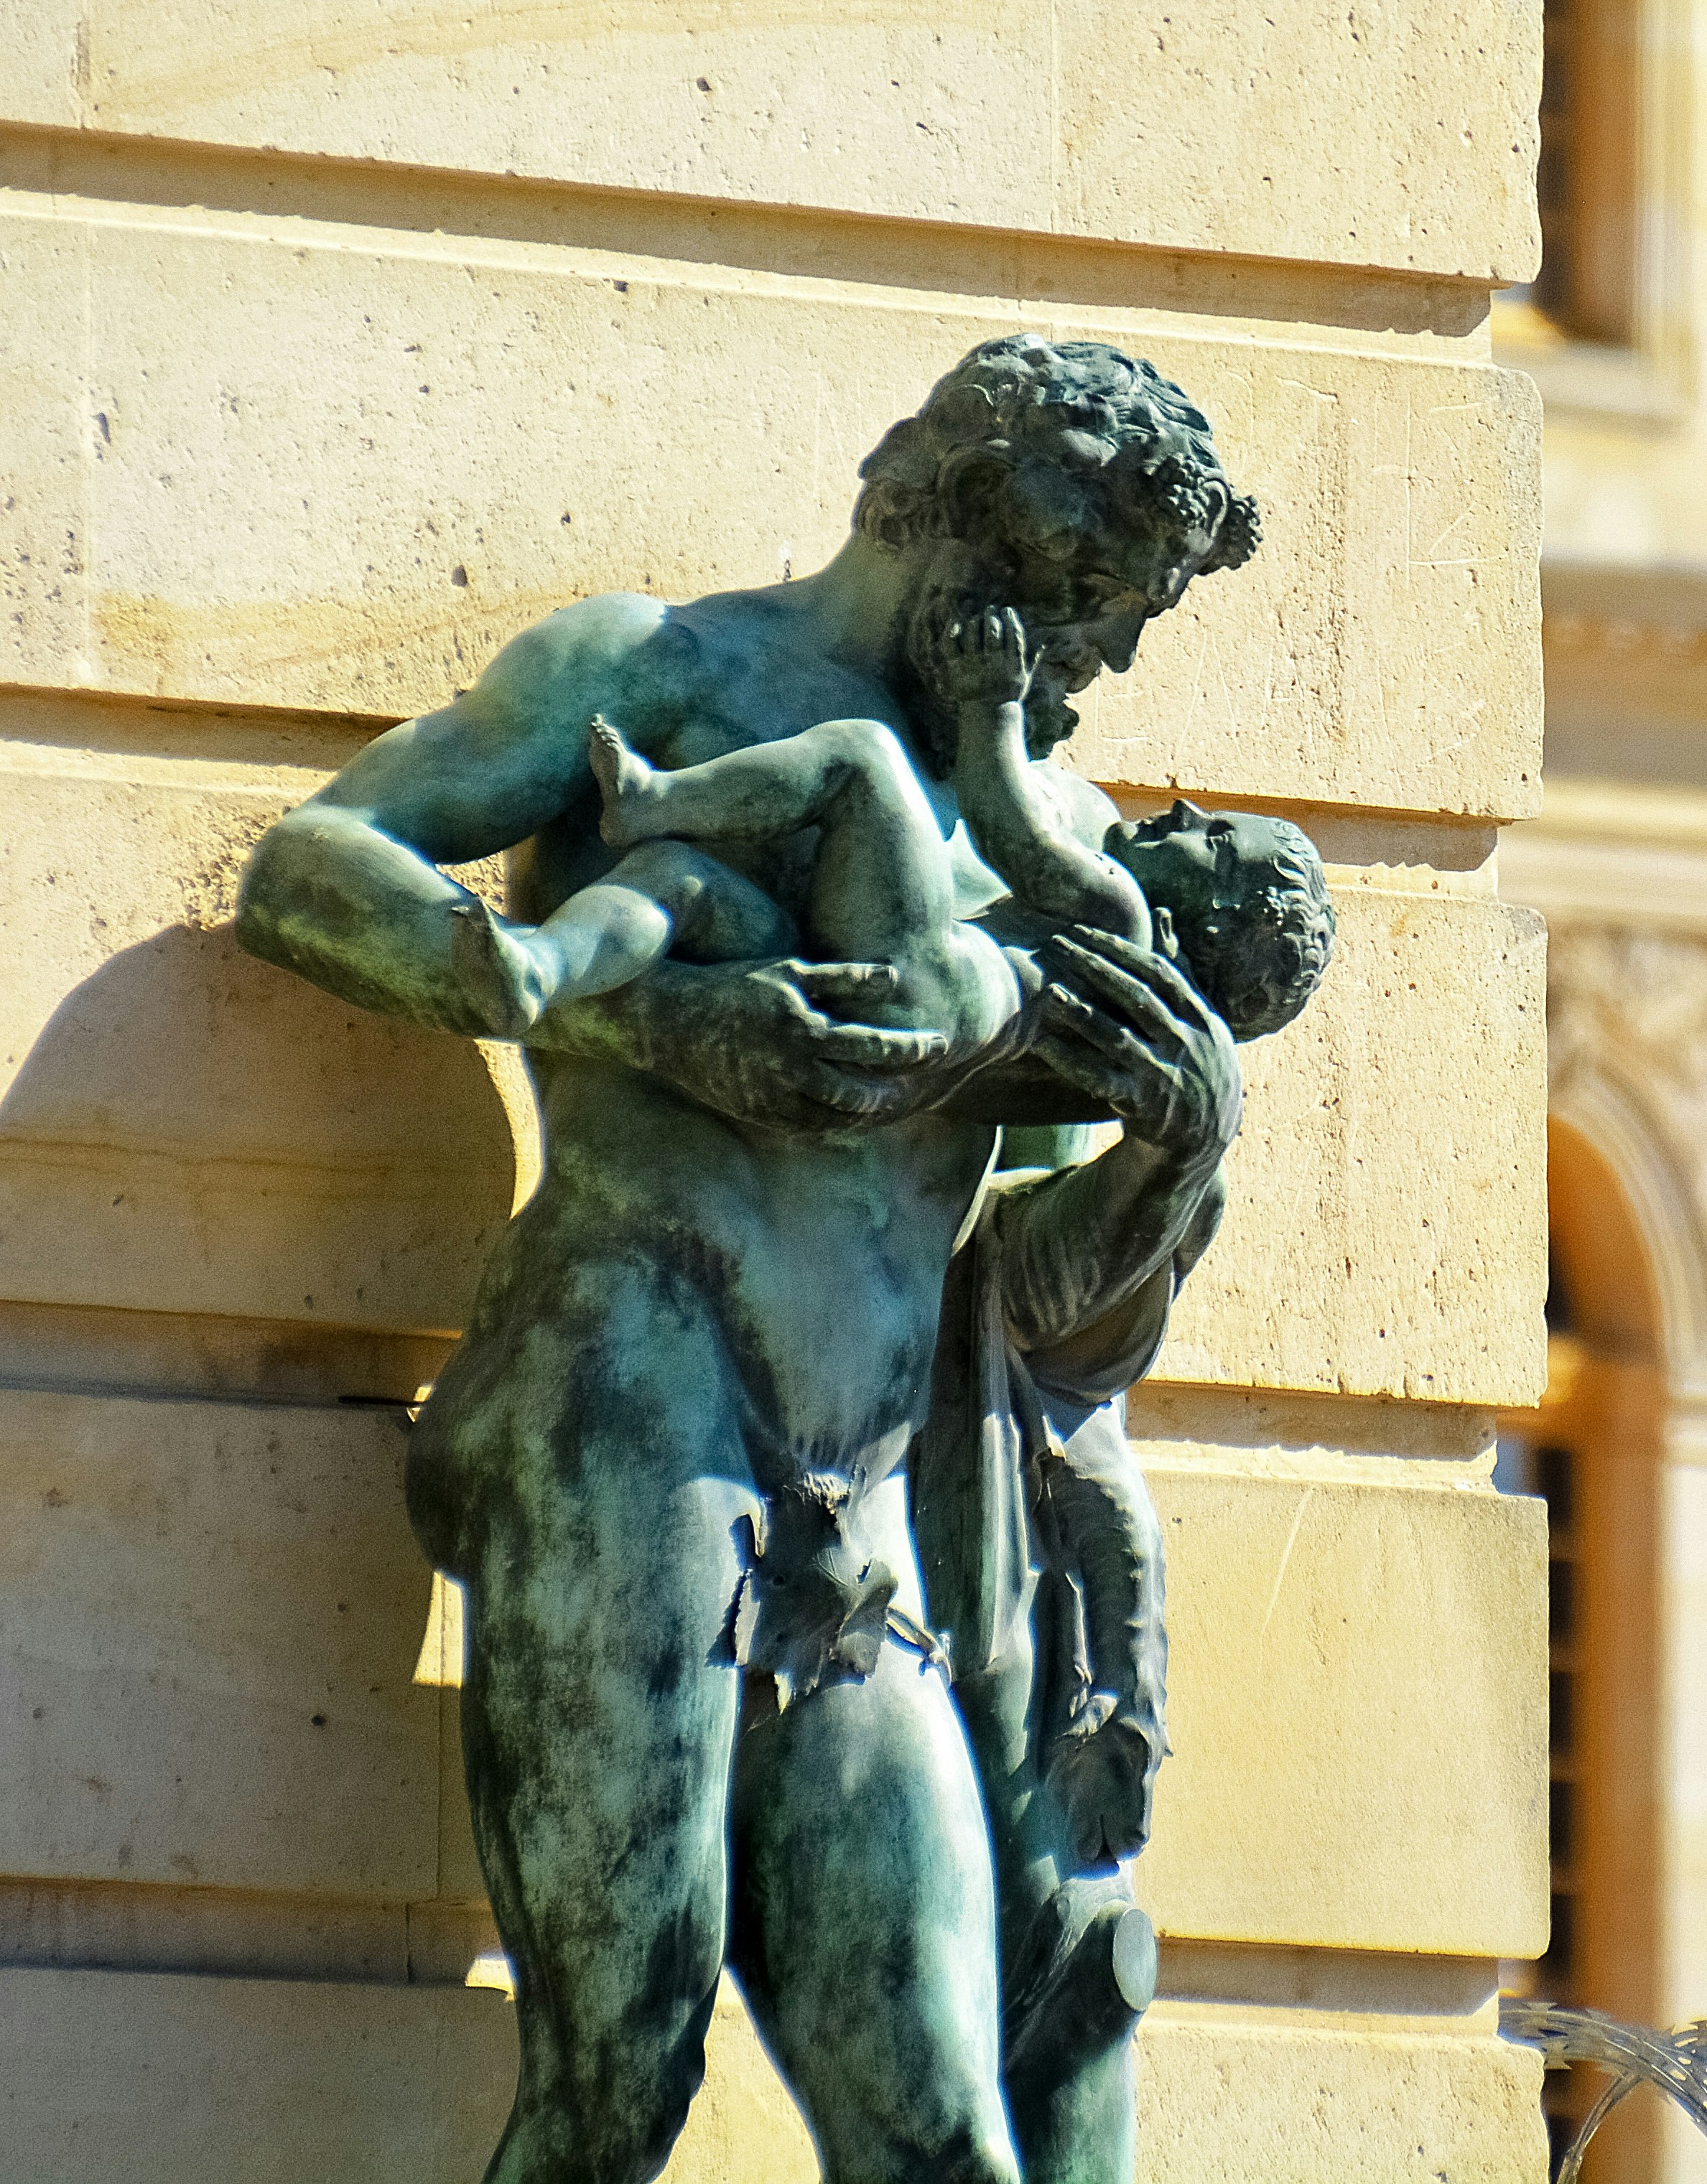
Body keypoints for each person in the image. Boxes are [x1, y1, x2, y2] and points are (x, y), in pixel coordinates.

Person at [232, 335, 1284, 2184]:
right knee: (619, 2068)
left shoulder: (1049, 838)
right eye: (1094, 601)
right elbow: (314, 868)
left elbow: (1027, 1303)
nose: (1108, 661)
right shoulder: (661, 676)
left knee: (942, 2139)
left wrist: (1173, 1153)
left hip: (857, 1513)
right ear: (972, 537)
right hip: (634, 1394)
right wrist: (638, 1027)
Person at [448, 614, 1329, 1066]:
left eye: (1214, 844)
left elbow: (1011, 834)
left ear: (1212, 927)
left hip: (926, 991)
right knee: (678, 879)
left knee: (862, 757)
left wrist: (994, 701)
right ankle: (544, 968)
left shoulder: (1121, 920)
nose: (1183, 814)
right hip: (877, 988)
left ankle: (654, 798)